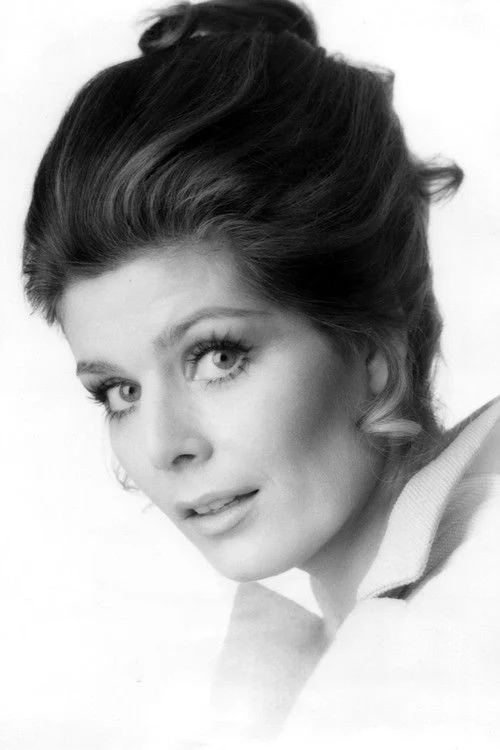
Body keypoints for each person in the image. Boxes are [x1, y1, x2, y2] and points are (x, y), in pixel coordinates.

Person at [21, 0, 500, 747]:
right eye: (119, 391)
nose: (164, 446)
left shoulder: (473, 617)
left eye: (218, 356)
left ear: (373, 346)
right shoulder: (320, 662)